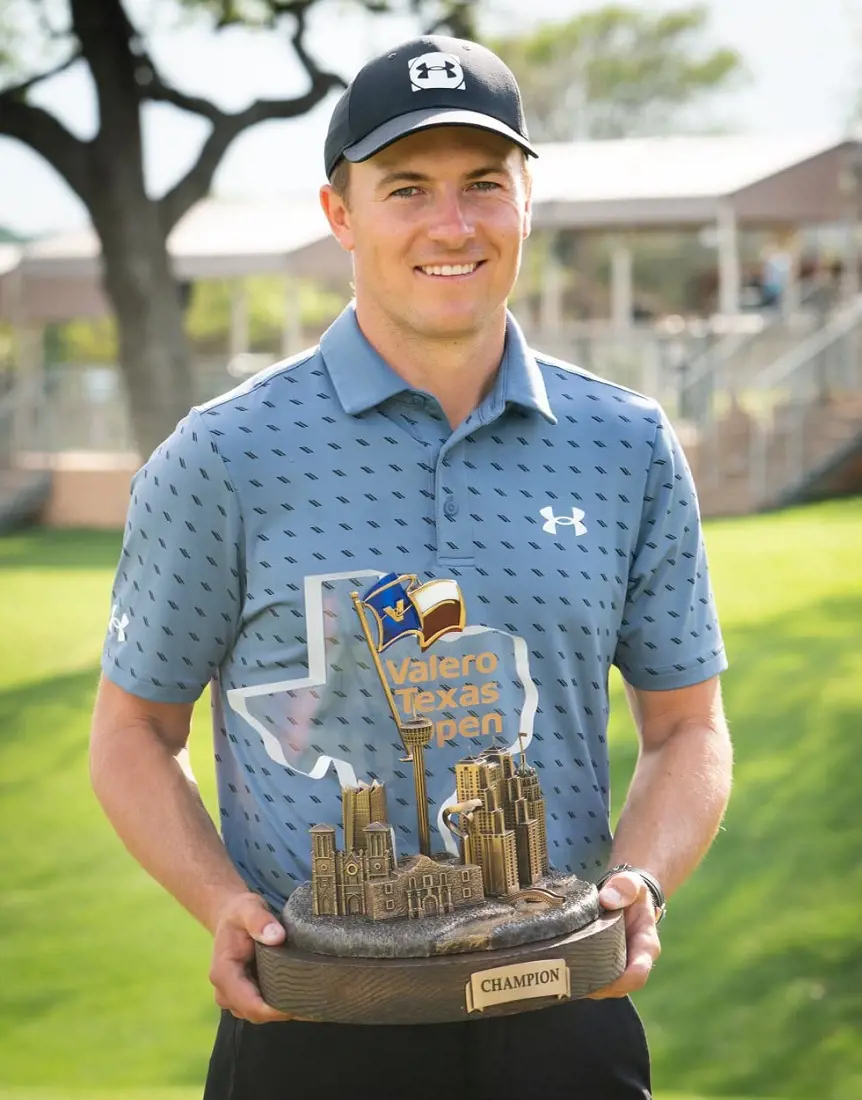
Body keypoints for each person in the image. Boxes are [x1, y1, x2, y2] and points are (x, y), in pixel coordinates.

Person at [91, 34, 732, 1100]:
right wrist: (220, 901)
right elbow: (131, 733)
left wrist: (641, 880)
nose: (452, 224)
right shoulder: (222, 455)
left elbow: (687, 725)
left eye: (485, 184)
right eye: (407, 188)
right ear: (340, 213)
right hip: (317, 1022)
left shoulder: (626, 444)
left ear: (525, 199)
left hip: (563, 1018)